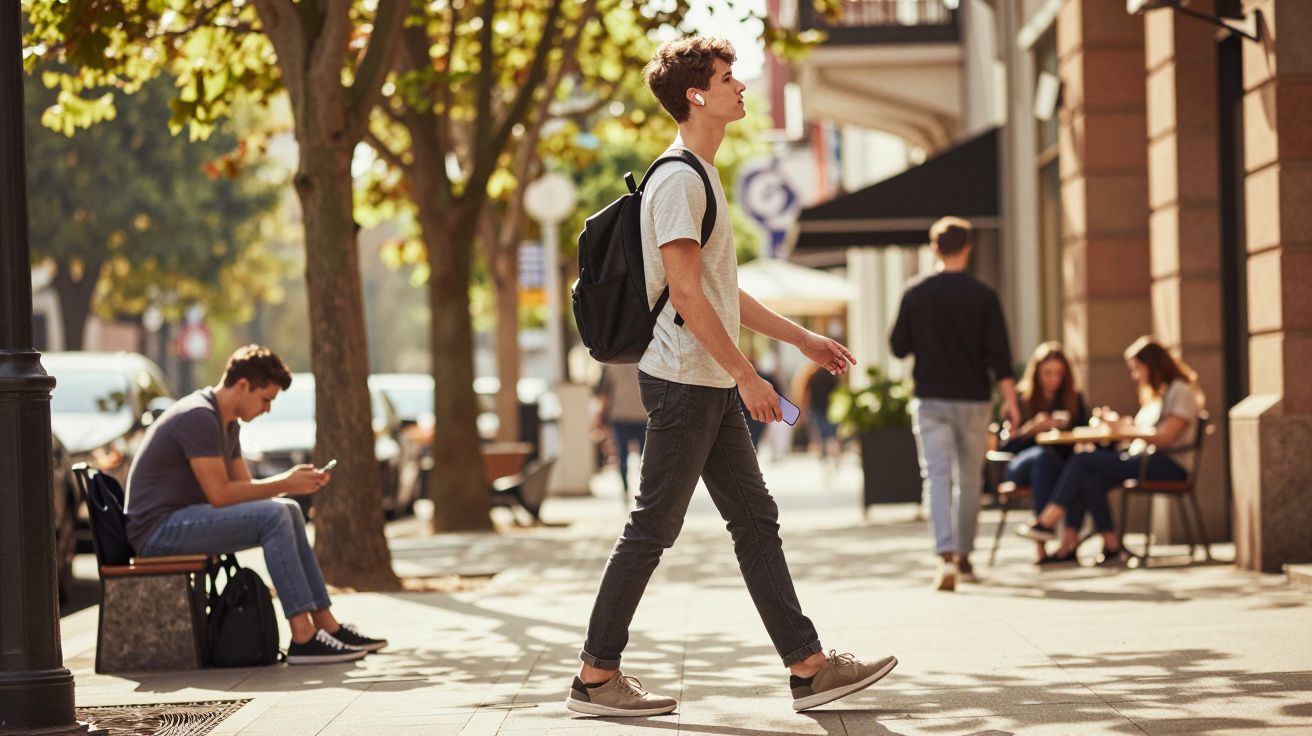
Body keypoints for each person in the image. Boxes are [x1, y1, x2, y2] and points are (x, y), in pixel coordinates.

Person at [566, 37, 897, 718]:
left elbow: (721, 292)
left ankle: (808, 669)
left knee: (754, 520)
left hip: (705, 380)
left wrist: (801, 339)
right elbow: (686, 295)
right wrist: (748, 375)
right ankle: (596, 676)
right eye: (727, 78)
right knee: (653, 529)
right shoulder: (680, 178)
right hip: (687, 380)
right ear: (696, 94)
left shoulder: (702, 177)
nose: (741, 87)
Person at [124, 345, 386, 665]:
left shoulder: (227, 423)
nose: (267, 409)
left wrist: (290, 486)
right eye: (266, 399)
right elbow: (222, 495)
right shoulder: (199, 417)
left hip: (184, 520)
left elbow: (245, 490)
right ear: (243, 385)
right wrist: (286, 483)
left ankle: (327, 625)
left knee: (286, 509)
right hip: (158, 532)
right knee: (276, 514)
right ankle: (303, 638)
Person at [890, 216, 1020, 591]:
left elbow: (898, 346)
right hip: (976, 400)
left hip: (930, 399)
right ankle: (964, 555)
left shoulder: (915, 292)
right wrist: (1010, 400)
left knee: (938, 477)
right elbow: (1001, 354)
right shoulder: (984, 295)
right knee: (970, 480)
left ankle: (944, 556)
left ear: (934, 248)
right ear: (968, 248)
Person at [1022, 336, 1204, 564]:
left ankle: (1047, 522)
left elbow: (1166, 438)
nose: (1135, 375)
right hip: (1145, 458)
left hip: (1167, 464)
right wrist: (1118, 425)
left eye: (1137, 368)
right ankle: (1108, 545)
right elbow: (1145, 431)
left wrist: (1126, 429)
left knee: (1084, 459)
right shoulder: (1160, 394)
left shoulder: (1181, 391)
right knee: (1089, 477)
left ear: (1152, 366)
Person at [1000, 341, 1088, 564]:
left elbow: (1084, 434)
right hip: (1021, 464)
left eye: (1059, 374)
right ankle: (1041, 543)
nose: (1053, 380)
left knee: (1080, 469)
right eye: (1048, 373)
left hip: (1057, 465)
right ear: (1036, 372)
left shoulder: (1073, 400)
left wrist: (1066, 429)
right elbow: (1005, 448)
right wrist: (1031, 430)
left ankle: (1067, 541)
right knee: (1043, 458)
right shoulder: (1021, 399)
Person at [596, 363, 648, 501]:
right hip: (643, 413)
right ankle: (645, 489)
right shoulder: (645, 360)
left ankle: (625, 489)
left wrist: (600, 416)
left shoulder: (610, 365)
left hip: (620, 415)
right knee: (646, 456)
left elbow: (604, 395)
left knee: (622, 454)